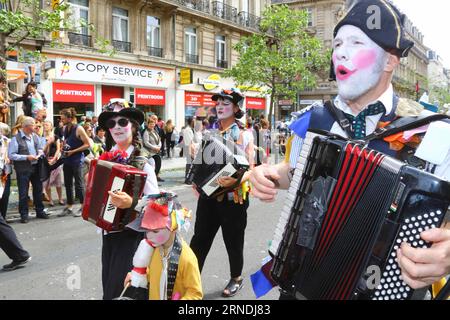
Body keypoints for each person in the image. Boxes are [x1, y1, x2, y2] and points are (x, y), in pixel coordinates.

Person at [249, 0, 450, 298]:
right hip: (302, 283)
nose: (340, 52)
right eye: (338, 43)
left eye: (357, 42)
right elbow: (296, 172)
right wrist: (269, 173)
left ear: (390, 61)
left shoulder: (434, 134)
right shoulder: (315, 119)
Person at [189, 88, 255, 298]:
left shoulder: (244, 134)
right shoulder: (209, 133)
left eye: (225, 104)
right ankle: (190, 280)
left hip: (233, 199)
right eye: (218, 103)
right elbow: (201, 162)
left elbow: (252, 169)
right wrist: (195, 177)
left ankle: (236, 278)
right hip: (208, 198)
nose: (220, 107)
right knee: (199, 240)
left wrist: (237, 179)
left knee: (233, 241)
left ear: (236, 108)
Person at [96, 101, 159, 300]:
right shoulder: (106, 158)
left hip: (132, 237)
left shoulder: (144, 162)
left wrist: (131, 203)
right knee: (110, 286)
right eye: (111, 124)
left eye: (122, 122)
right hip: (109, 236)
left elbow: (158, 205)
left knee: (124, 290)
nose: (116, 127)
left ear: (132, 126)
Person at [123, 193, 202, 300]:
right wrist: (138, 276)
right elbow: (155, 274)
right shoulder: (155, 250)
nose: (149, 236)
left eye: (155, 231)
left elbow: (195, 293)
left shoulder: (187, 258)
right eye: (147, 230)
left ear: (173, 228)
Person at [8, 117, 49, 223]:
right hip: (23, 169)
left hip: (36, 167)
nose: (35, 126)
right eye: (33, 124)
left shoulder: (35, 136)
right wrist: (26, 157)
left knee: (38, 190)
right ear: (27, 126)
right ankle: (24, 214)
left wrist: (40, 153)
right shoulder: (15, 139)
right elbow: (11, 155)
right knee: (23, 193)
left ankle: (40, 211)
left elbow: (40, 148)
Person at [57, 108, 90, 218]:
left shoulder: (79, 128)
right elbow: (67, 141)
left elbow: (87, 144)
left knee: (79, 185)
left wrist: (73, 151)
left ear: (70, 118)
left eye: (63, 118)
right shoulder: (65, 128)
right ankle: (70, 206)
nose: (61, 119)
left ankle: (83, 206)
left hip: (77, 160)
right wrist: (63, 148)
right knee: (67, 184)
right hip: (67, 160)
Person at [42, 121, 64, 207]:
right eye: (44, 125)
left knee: (58, 182)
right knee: (47, 182)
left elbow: (58, 149)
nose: (45, 126)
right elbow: (42, 151)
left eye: (47, 125)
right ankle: (50, 199)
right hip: (46, 161)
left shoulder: (56, 137)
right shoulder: (41, 138)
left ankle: (60, 198)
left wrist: (54, 159)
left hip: (55, 161)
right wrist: (47, 144)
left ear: (51, 127)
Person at [142, 117, 164, 182]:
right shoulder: (146, 132)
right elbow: (146, 143)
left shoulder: (155, 131)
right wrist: (155, 147)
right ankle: (151, 180)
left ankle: (154, 179)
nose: (152, 125)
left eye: (153, 124)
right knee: (152, 166)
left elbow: (159, 140)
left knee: (158, 166)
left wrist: (159, 146)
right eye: (150, 124)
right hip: (149, 153)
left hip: (156, 152)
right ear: (148, 124)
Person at [0, 123, 12, 219]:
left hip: (5, 172)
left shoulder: (8, 142)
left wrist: (9, 157)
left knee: (5, 195)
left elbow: (12, 154)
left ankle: (2, 217)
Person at [181, 117, 195, 184]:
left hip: (191, 147)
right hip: (188, 147)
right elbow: (189, 142)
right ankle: (187, 179)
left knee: (190, 164)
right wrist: (191, 152)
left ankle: (189, 179)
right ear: (191, 121)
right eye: (194, 121)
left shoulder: (190, 129)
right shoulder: (187, 130)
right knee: (189, 164)